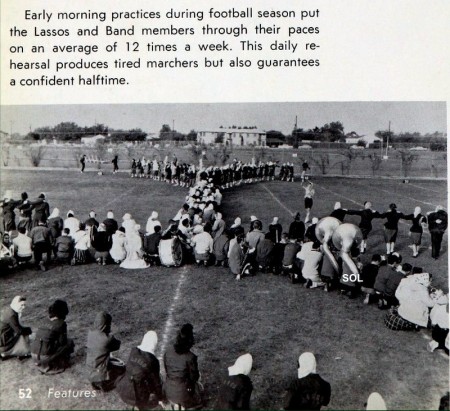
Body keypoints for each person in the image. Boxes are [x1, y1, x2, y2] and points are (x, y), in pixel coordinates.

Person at [116, 331, 163, 410]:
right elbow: (156, 383)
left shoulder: (134, 350)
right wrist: (160, 398)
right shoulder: (153, 360)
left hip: (122, 389)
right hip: (137, 397)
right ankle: (138, 407)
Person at [164, 323, 202, 409]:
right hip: (183, 392)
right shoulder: (190, 357)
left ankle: (175, 403)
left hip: (168, 389)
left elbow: (166, 369)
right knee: (198, 384)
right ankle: (185, 403)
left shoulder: (168, 351)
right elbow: (194, 378)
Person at [31, 300, 75, 374]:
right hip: (45, 357)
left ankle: (44, 363)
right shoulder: (61, 324)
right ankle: (61, 362)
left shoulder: (44, 321)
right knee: (69, 343)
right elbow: (62, 342)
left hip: (33, 354)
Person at [86, 311, 124, 391]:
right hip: (102, 376)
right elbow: (117, 345)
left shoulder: (90, 334)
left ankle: (97, 383)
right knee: (122, 368)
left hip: (90, 373)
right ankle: (107, 383)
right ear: (106, 325)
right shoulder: (108, 339)